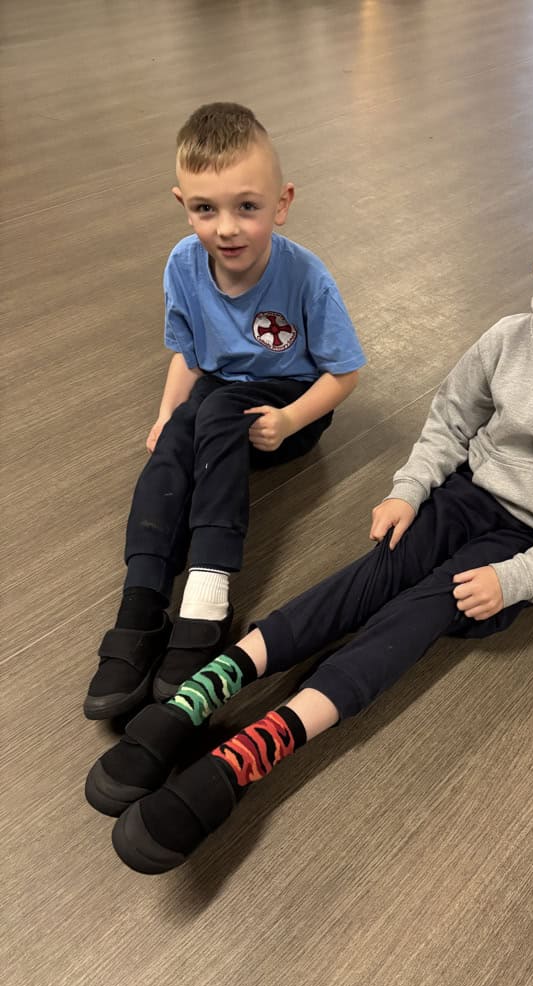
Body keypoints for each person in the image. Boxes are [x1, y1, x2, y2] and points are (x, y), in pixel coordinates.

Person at [85, 167, 533, 874]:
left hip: (529, 544)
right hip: (465, 494)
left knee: (412, 616)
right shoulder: (508, 338)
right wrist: (409, 489)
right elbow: (451, 419)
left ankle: (251, 753)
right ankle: (198, 694)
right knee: (366, 579)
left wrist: (519, 579)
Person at [83, 102, 365, 721]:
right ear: (183, 204)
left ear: (282, 203)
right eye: (206, 209)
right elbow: (188, 356)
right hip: (220, 396)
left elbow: (344, 372)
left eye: (247, 207)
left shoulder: (306, 277)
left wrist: (290, 421)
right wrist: (165, 415)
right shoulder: (183, 265)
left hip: (290, 402)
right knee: (182, 428)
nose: (227, 229)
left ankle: (208, 596)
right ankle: (142, 600)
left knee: (213, 412)